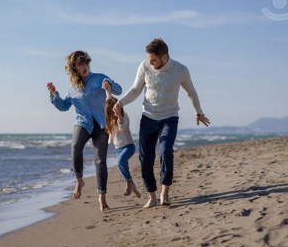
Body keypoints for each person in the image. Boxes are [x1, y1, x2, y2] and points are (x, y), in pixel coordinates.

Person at [113, 38, 210, 208]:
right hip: (148, 117)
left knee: (165, 151)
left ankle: (165, 192)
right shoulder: (144, 66)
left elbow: (191, 92)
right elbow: (136, 89)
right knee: (146, 158)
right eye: (149, 59)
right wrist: (121, 102)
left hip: (169, 117)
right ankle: (152, 196)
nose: (150, 63)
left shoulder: (180, 70)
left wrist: (199, 112)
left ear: (165, 57)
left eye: (153, 60)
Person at [48, 50, 122, 211]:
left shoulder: (99, 77)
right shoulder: (73, 86)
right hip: (83, 123)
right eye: (80, 64)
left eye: (85, 62)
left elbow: (119, 90)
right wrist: (54, 94)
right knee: (75, 147)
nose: (84, 66)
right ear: (74, 67)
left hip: (102, 124)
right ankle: (79, 180)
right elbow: (64, 106)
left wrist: (110, 85)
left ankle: (102, 197)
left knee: (100, 160)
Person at [104, 90, 141, 198]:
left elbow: (123, 128)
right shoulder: (110, 120)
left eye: (116, 108)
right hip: (118, 149)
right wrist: (107, 90)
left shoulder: (125, 117)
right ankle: (132, 186)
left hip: (128, 147)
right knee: (122, 167)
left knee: (120, 162)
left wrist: (119, 116)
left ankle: (129, 182)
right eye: (112, 110)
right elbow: (109, 100)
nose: (114, 111)